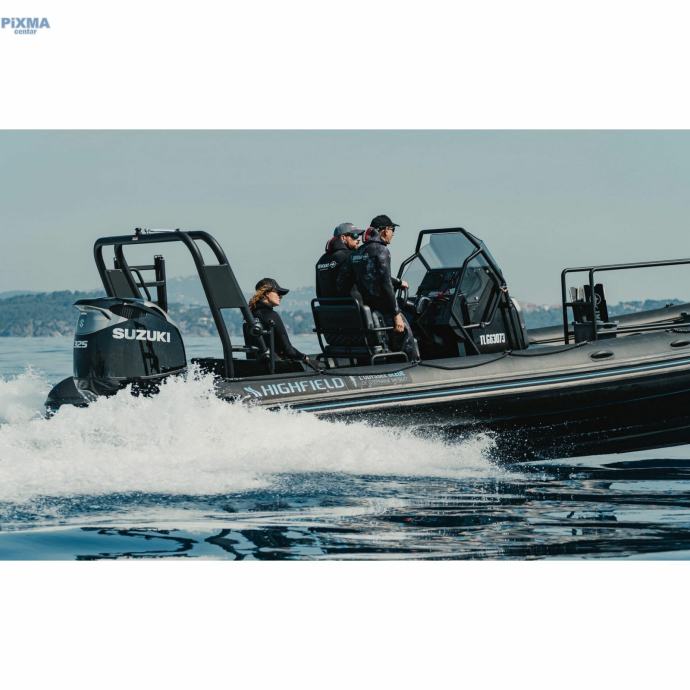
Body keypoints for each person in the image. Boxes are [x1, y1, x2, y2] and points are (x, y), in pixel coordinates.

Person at [337, 214, 419, 362]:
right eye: (392, 230)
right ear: (384, 230)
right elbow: (385, 283)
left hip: (368, 311)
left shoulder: (357, 253)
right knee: (408, 340)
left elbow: (343, 282)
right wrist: (396, 314)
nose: (393, 234)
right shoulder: (381, 250)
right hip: (385, 309)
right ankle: (414, 367)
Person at [248, 278, 309, 362]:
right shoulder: (271, 315)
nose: (281, 296)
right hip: (274, 366)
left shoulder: (250, 315)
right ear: (267, 293)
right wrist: (304, 357)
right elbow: (289, 350)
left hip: (253, 365)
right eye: (278, 293)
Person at [315, 222, 362, 298]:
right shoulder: (352, 257)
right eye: (355, 235)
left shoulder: (321, 260)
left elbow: (319, 292)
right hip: (352, 304)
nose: (358, 239)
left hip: (326, 305)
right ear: (343, 238)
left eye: (359, 236)